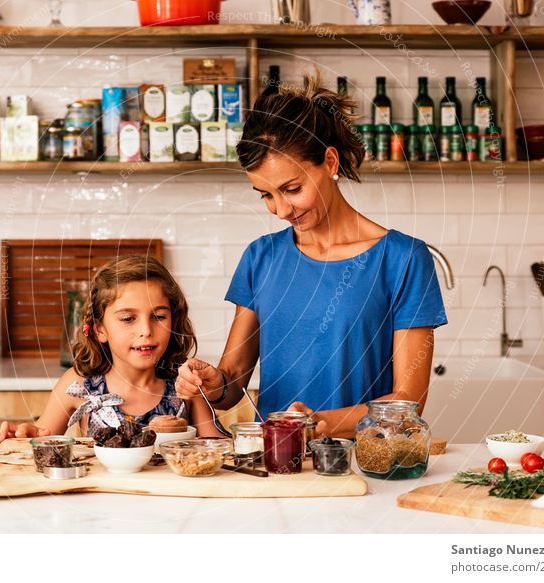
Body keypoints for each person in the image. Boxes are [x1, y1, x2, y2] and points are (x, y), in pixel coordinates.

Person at [175, 75, 448, 438]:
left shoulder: (404, 259)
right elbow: (232, 383)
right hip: (277, 465)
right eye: (266, 195)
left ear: (330, 162)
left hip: (364, 465)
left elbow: (408, 401)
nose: (281, 209)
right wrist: (210, 384)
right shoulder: (262, 258)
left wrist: (318, 424)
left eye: (292, 189)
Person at [0, 254, 223, 447]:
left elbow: (220, 451)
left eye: (158, 317)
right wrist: (24, 436)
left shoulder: (185, 385)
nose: (146, 330)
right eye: (127, 318)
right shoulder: (78, 385)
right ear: (100, 329)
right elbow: (41, 438)